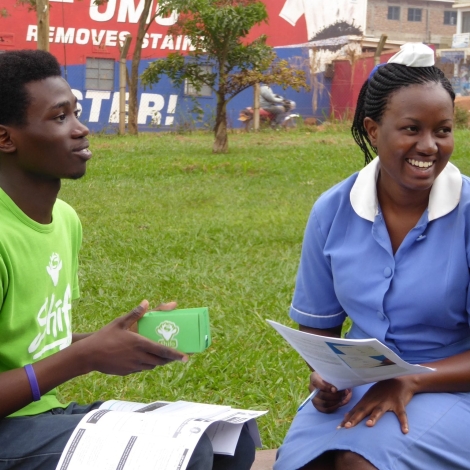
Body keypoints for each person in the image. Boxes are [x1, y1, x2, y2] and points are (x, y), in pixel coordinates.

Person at [0, 50, 255, 470]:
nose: (82, 130)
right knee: (186, 457)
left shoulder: (64, 221)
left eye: (76, 113)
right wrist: (85, 357)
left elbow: (35, 346)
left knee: (230, 439)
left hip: (40, 416)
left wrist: (115, 339)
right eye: (59, 117)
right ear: (6, 138)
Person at [274, 42, 470, 469]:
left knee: (358, 462)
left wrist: (411, 379)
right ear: (371, 129)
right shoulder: (334, 209)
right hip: (363, 386)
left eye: (443, 130)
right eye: (411, 128)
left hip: (455, 388)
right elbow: (317, 327)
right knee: (305, 465)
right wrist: (328, 377)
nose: (430, 146)